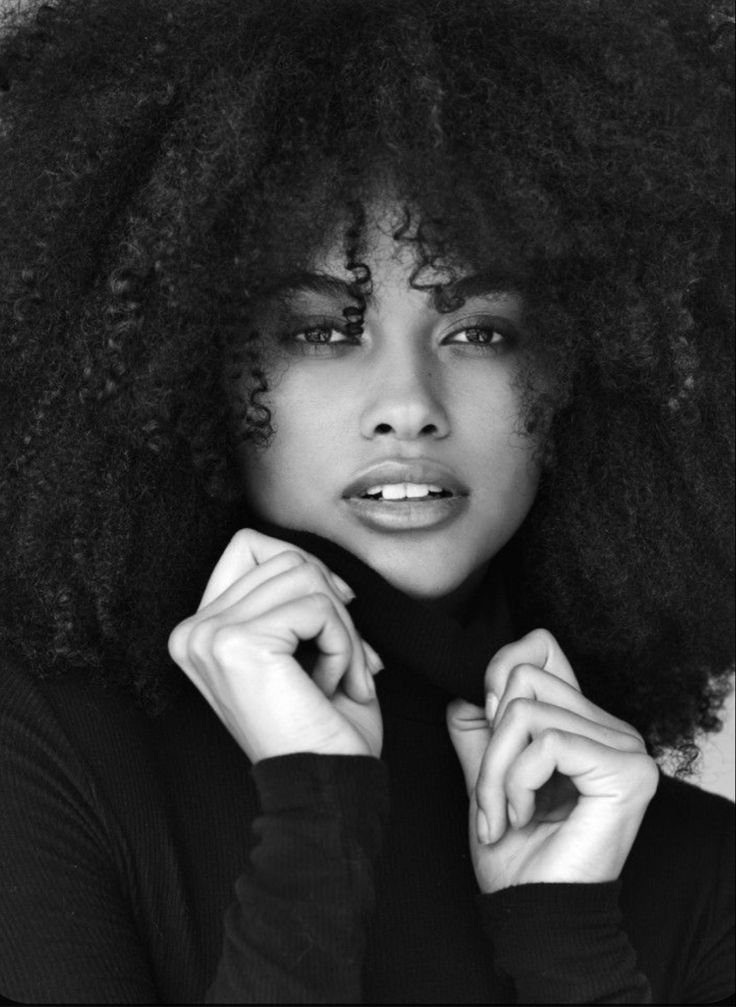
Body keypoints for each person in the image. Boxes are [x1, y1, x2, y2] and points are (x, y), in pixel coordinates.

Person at [0, 0, 733, 1002]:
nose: (407, 407)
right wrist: (312, 824)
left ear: (595, 363)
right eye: (320, 329)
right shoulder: (46, 754)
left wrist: (566, 944)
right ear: (175, 360)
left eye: (481, 332)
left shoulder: (674, 856)